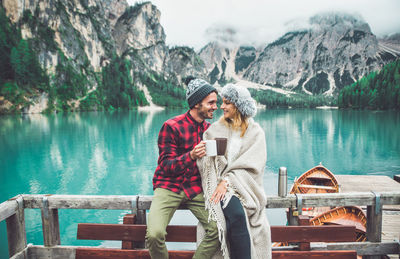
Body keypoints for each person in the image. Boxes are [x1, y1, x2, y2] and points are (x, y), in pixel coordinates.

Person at [146, 77, 220, 259]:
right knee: (154, 235)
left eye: (216, 103)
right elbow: (165, 165)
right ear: (196, 104)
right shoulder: (171, 126)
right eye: (211, 103)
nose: (215, 107)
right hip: (168, 186)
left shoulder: (210, 129)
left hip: (195, 188)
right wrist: (191, 156)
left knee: (218, 230)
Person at [197, 83, 272, 259]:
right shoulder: (215, 129)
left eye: (227, 103)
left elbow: (253, 167)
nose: (221, 106)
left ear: (239, 106)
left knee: (238, 216)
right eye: (222, 102)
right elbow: (207, 163)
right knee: (236, 215)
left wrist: (229, 181)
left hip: (244, 188)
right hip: (218, 187)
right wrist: (204, 154)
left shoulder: (256, 133)